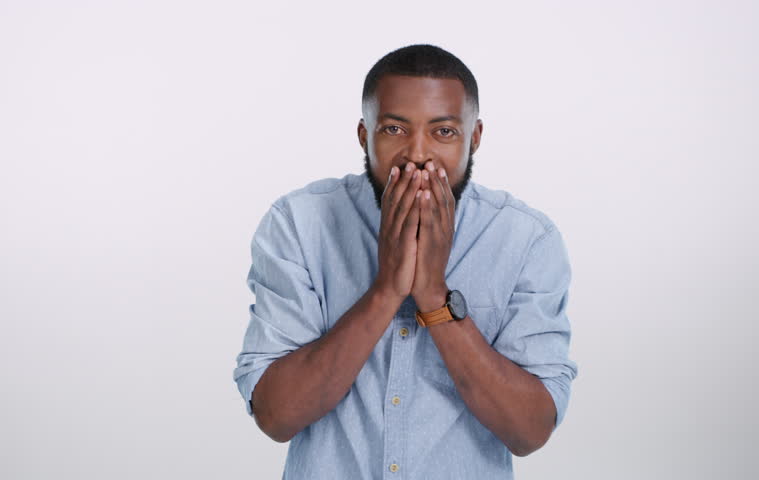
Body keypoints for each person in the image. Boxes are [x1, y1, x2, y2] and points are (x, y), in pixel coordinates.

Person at [233, 44, 579, 479]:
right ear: (364, 135)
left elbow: (529, 431)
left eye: (444, 132)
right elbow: (276, 416)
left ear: (475, 138)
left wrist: (434, 296)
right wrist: (385, 292)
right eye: (395, 129)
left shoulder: (527, 240)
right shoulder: (299, 224)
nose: (418, 154)